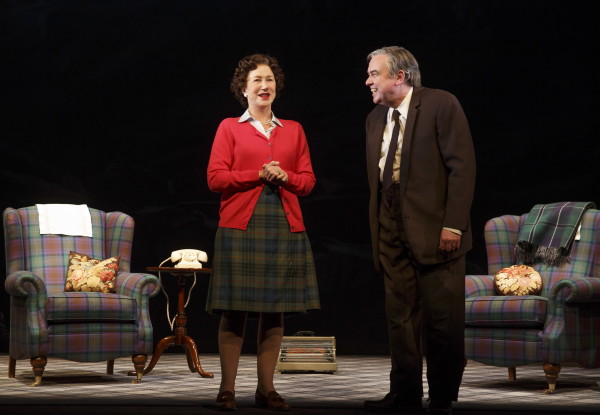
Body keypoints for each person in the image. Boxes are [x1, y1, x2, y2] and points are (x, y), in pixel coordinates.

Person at [362, 46, 476, 415]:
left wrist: (453, 225)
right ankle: (404, 393)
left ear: (400, 76)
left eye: (375, 74)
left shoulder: (441, 105)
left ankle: (442, 397)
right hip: (390, 228)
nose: (368, 81)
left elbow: (462, 168)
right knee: (399, 318)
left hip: (436, 229)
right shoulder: (375, 119)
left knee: (442, 322)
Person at [206, 53, 320, 412]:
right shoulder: (229, 127)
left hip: (283, 225)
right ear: (244, 88)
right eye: (256, 80)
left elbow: (308, 181)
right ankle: (227, 390)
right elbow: (215, 178)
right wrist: (257, 173)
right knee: (234, 309)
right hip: (240, 225)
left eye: (269, 79)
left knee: (275, 311)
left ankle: (266, 389)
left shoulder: (294, 130)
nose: (264, 85)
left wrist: (286, 177)